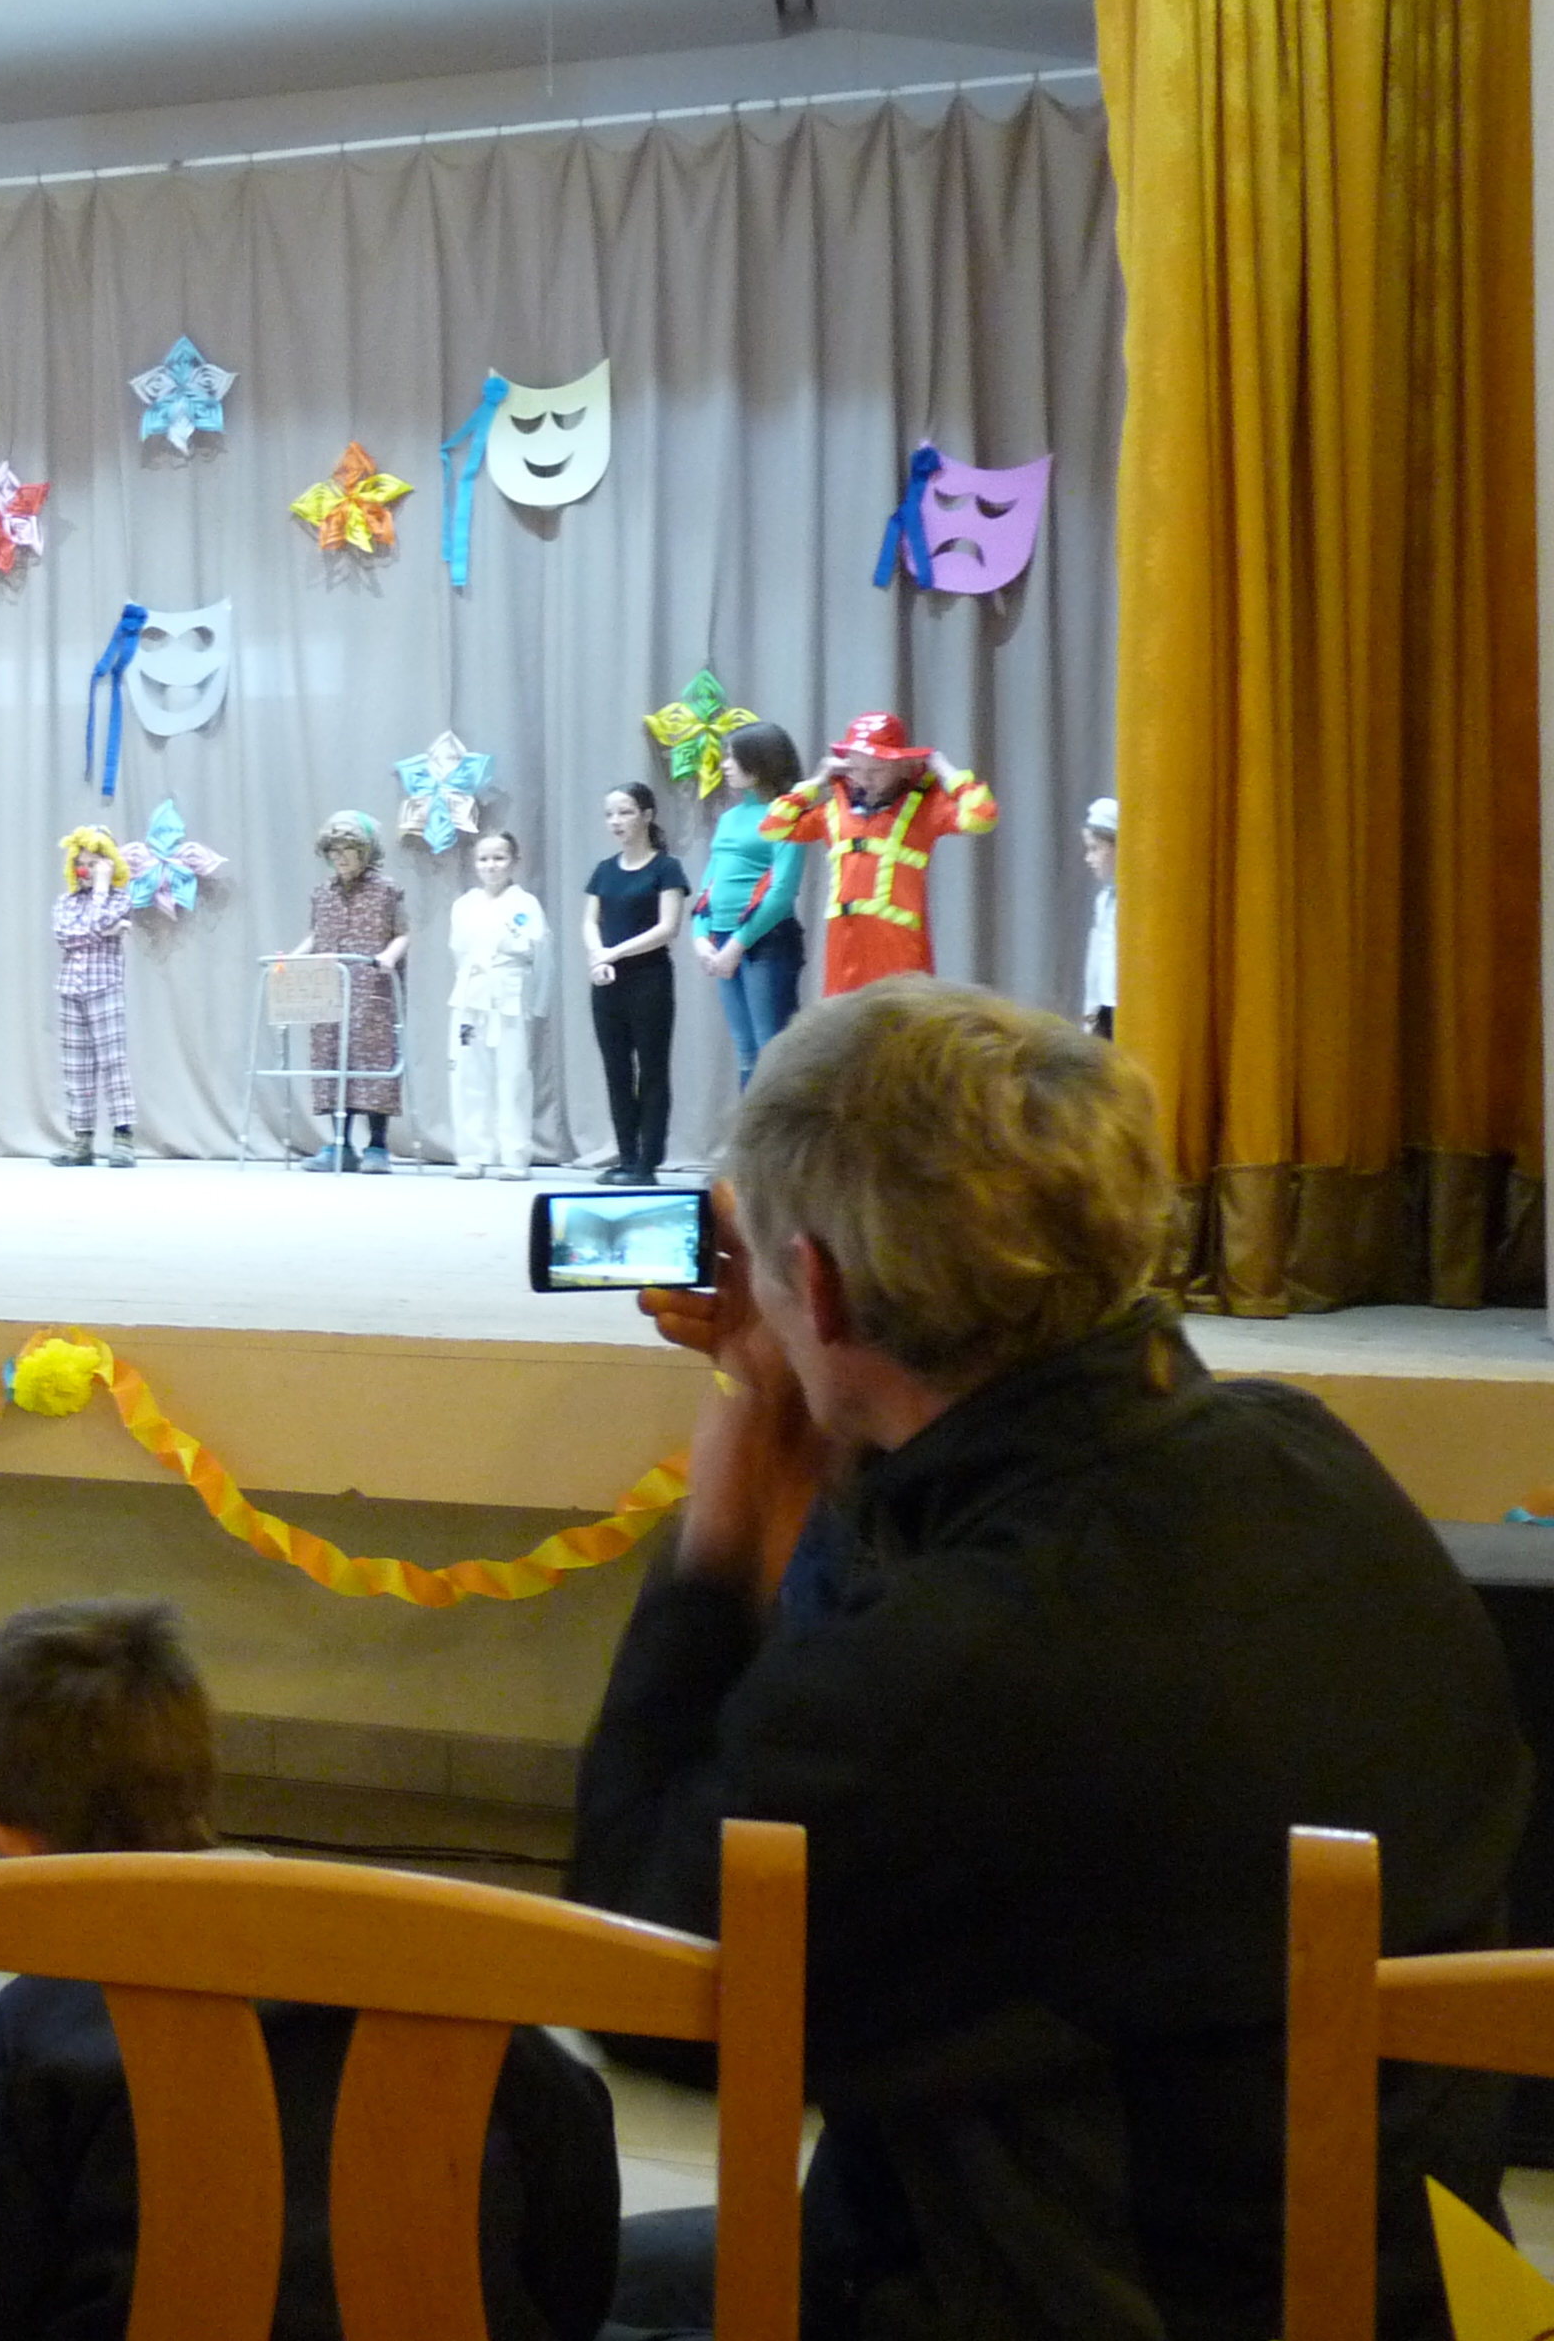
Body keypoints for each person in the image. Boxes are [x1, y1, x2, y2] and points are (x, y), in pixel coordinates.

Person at [572, 981, 1526, 2341]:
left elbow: (650, 1968)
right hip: (1370, 2277)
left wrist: (729, 1512)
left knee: (443, 2253)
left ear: (820, 1287)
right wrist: (828, 1435)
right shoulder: (1305, 1465)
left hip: (1070, 2292)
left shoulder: (965, 1668)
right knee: (573, 2253)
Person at [0, 1599, 618, 2341]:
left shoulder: (34, 2023)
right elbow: (573, 2198)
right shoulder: (421, 1965)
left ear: (11, 1845)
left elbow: (3, 2295)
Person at [757, 712, 996, 998]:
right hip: (845, 943)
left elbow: (981, 816)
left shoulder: (925, 809)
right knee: (843, 1019)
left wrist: (945, 770)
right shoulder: (833, 810)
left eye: (877, 770)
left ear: (902, 767)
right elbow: (773, 827)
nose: (865, 778)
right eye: (856, 769)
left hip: (899, 945)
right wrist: (816, 782)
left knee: (904, 1016)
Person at [687, 722, 806, 1094]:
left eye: (732, 757)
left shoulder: (787, 813)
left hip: (767, 940)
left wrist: (737, 945)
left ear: (760, 762)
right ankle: (751, 1132)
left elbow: (782, 891)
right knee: (746, 1052)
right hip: (722, 938)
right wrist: (700, 936)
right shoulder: (729, 817)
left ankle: (780, 1131)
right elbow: (709, 883)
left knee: (773, 1048)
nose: (724, 765)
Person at [578, 783, 688, 1184]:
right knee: (616, 1070)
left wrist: (614, 953)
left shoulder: (666, 868)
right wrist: (598, 956)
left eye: (625, 812)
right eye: (610, 814)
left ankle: (647, 1163)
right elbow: (590, 921)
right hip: (607, 981)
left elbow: (667, 927)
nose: (616, 821)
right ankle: (626, 1157)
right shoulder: (604, 870)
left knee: (652, 1070)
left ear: (647, 815)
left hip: (649, 979)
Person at [295, 811, 405, 1172]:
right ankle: (340, 1145)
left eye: (348, 850)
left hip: (371, 989)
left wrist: (389, 956)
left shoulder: (386, 890)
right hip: (330, 990)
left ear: (365, 851)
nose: (340, 858)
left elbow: (403, 933)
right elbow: (317, 934)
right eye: (334, 851)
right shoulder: (322, 893)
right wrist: (293, 958)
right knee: (330, 1060)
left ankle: (377, 1146)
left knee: (373, 1062)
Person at [446, 830, 548, 1179]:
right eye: (484, 859)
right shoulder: (464, 905)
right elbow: (458, 952)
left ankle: (514, 1155)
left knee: (513, 1075)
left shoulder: (526, 904)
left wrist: (536, 1002)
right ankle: (472, 1153)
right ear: (475, 863)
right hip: (470, 994)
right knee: (467, 1074)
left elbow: (541, 955)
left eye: (499, 858)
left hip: (509, 995)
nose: (491, 865)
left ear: (514, 861)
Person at [50, 826, 138, 1168]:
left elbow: (98, 921)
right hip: (70, 989)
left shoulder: (121, 899)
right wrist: (105, 932)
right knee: (76, 1066)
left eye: (93, 864)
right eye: (81, 864)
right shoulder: (65, 903)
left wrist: (102, 888)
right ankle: (82, 1139)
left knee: (114, 1063)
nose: (85, 871)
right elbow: (65, 935)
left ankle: (123, 1138)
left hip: (105, 988)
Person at [1082, 795, 1119, 1036]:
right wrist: (1090, 1012)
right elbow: (1096, 960)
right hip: (1106, 1006)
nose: (1089, 858)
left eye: (1095, 848)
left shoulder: (1137, 903)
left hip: (1127, 1004)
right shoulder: (1104, 900)